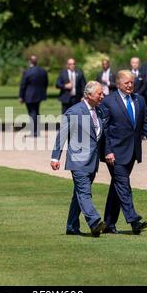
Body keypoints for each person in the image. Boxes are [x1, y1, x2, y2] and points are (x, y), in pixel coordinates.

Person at [99, 70, 147, 235]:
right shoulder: (109, 101)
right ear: (118, 83)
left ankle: (109, 224)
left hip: (132, 151)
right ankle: (134, 220)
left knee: (117, 187)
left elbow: (146, 123)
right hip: (114, 153)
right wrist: (108, 151)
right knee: (123, 184)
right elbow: (104, 130)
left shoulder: (139, 100)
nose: (130, 85)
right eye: (126, 83)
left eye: (131, 82)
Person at [50, 81, 106, 237]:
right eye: (99, 93)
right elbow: (62, 135)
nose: (102, 96)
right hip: (77, 160)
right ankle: (94, 221)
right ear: (88, 95)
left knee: (79, 195)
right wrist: (55, 157)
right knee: (84, 192)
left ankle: (71, 226)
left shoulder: (100, 111)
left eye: (102, 93)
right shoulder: (74, 112)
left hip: (92, 161)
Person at [19, 55, 48, 137]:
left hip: (29, 95)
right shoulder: (42, 71)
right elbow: (46, 83)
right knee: (37, 112)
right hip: (39, 95)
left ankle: (34, 132)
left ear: (29, 62)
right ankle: (37, 131)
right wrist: (43, 92)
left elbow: (23, 85)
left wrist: (21, 96)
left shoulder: (27, 71)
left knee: (32, 113)